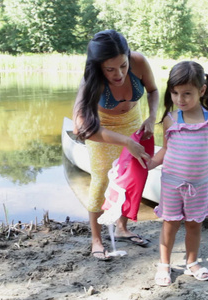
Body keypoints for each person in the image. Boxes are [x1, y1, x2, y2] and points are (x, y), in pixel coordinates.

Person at [72, 29, 159, 261]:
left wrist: (151, 117)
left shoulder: (139, 62)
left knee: (133, 175)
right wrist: (125, 142)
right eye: (110, 69)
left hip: (133, 121)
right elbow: (83, 128)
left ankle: (121, 228)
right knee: (101, 179)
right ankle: (97, 240)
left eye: (123, 65)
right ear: (98, 66)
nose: (119, 74)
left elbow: (153, 90)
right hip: (103, 128)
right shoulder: (91, 80)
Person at [147, 61, 208, 286]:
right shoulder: (171, 119)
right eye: (174, 93)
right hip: (172, 184)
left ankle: (192, 262)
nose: (180, 99)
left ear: (202, 91)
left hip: (199, 185)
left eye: (186, 94)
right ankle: (164, 264)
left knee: (194, 225)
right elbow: (165, 149)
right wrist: (149, 164)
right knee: (169, 224)